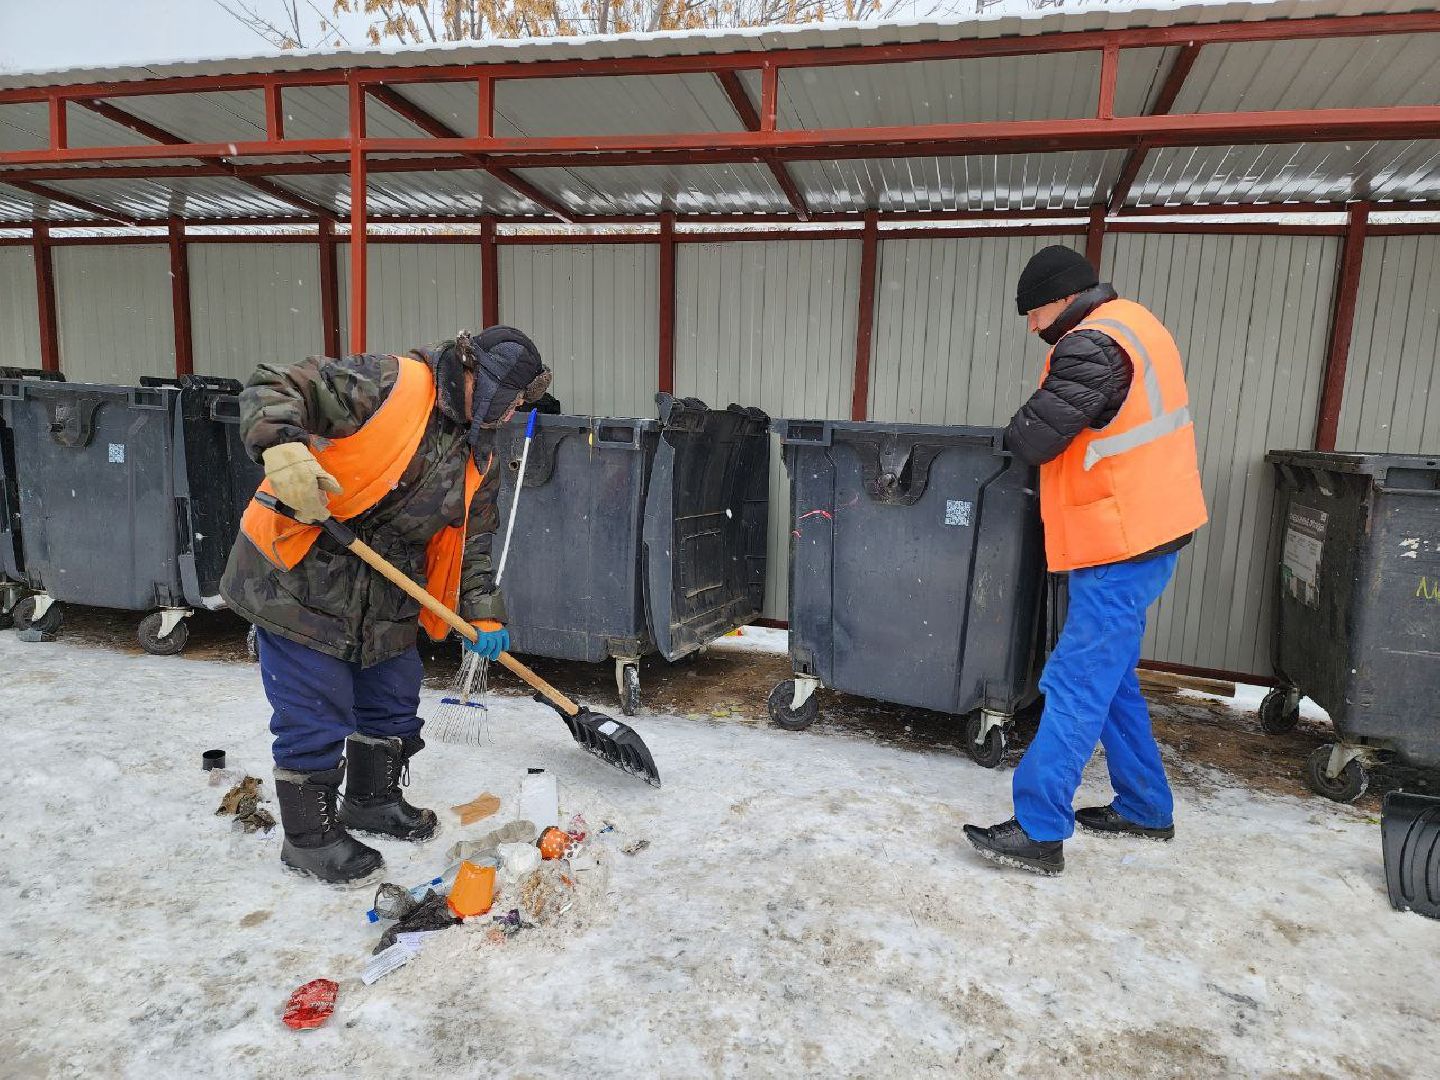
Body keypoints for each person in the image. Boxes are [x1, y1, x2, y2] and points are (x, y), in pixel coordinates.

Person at [221, 328, 551, 884]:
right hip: (305, 571)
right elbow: (276, 383)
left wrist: (482, 610)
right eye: (512, 395)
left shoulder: (482, 450)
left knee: (393, 696)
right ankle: (309, 840)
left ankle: (371, 802)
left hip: (390, 585)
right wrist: (282, 447)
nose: (515, 408)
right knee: (314, 708)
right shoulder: (391, 383)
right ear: (480, 376)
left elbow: (473, 541)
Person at [964, 246, 1208, 876]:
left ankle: (1039, 829)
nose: (1031, 327)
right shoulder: (1134, 324)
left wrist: (1012, 431)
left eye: (1033, 312)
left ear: (1062, 298)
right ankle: (1146, 806)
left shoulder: (1093, 345)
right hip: (1148, 528)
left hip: (1118, 537)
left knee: (1076, 680)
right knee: (1111, 677)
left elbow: (1035, 438)